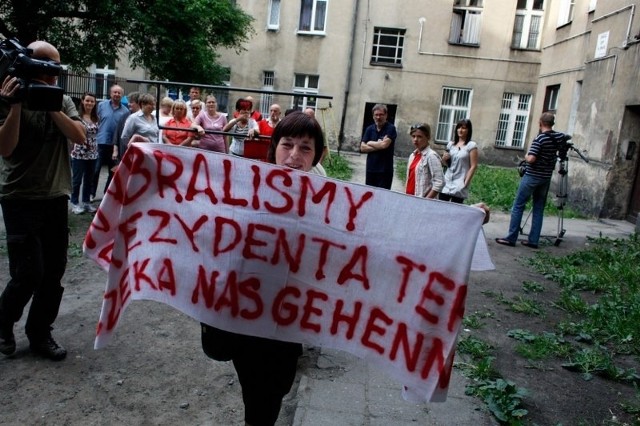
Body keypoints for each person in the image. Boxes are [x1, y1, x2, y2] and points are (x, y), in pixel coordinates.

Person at [201, 111, 324, 426]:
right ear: (274, 147)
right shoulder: (248, 186)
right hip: (247, 318)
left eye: (305, 148)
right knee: (257, 397)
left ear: (318, 155)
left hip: (287, 323)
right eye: (287, 145)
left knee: (276, 389)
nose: (294, 156)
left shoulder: (330, 203)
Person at [0, 40, 86, 360]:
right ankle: (4, 321)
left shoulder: (61, 100)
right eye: (50, 65)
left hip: (55, 196)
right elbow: (6, 149)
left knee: (53, 270)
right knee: (27, 272)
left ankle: (39, 333)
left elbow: (78, 135)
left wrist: (52, 108)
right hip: (19, 196)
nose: (54, 73)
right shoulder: (7, 95)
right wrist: (16, 105)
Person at [496, 112, 564, 249]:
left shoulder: (540, 139)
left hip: (533, 176)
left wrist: (526, 156)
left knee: (518, 206)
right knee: (538, 208)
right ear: (552, 124)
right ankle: (533, 240)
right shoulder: (558, 137)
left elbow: (532, 158)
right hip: (546, 177)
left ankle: (511, 237)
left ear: (540, 123)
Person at [92, 84, 130, 201]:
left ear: (122, 95)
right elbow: (94, 121)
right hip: (101, 142)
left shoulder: (125, 111)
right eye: (115, 92)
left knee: (112, 171)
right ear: (110, 93)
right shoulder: (101, 106)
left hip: (115, 145)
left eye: (119, 93)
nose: (117, 95)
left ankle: (106, 194)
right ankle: (91, 193)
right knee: (96, 169)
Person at [70, 92, 100, 214]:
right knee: (77, 179)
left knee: (89, 179)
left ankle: (86, 202)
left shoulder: (96, 117)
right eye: (87, 100)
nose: (90, 103)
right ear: (83, 101)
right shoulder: (77, 117)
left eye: (92, 101)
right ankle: (75, 203)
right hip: (79, 152)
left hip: (93, 152)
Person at [439, 118, 478, 204]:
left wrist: (465, 183)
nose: (460, 130)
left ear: (468, 130)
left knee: (455, 211)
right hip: (447, 180)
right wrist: (444, 159)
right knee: (441, 207)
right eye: (459, 127)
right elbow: (446, 164)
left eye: (463, 128)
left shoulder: (471, 145)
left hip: (459, 183)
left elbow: (473, 166)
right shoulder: (451, 144)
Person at [360, 104, 397, 189]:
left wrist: (369, 142)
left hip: (384, 170)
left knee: (383, 196)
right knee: (369, 195)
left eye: (381, 114)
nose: (378, 117)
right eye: (376, 115)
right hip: (371, 169)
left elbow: (384, 145)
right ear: (373, 116)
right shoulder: (369, 129)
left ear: (386, 115)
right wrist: (378, 144)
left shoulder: (391, 129)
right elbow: (362, 148)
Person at [405, 123, 444, 198]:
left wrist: (425, 201)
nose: (415, 139)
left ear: (428, 137)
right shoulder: (412, 155)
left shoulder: (431, 156)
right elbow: (409, 179)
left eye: (419, 137)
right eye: (413, 136)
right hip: (409, 198)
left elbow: (439, 182)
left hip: (421, 201)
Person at [114, 91, 140, 162]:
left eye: (131, 102)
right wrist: (115, 150)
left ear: (138, 103)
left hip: (138, 152)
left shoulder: (144, 118)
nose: (128, 104)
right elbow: (117, 134)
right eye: (129, 102)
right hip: (124, 151)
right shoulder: (124, 116)